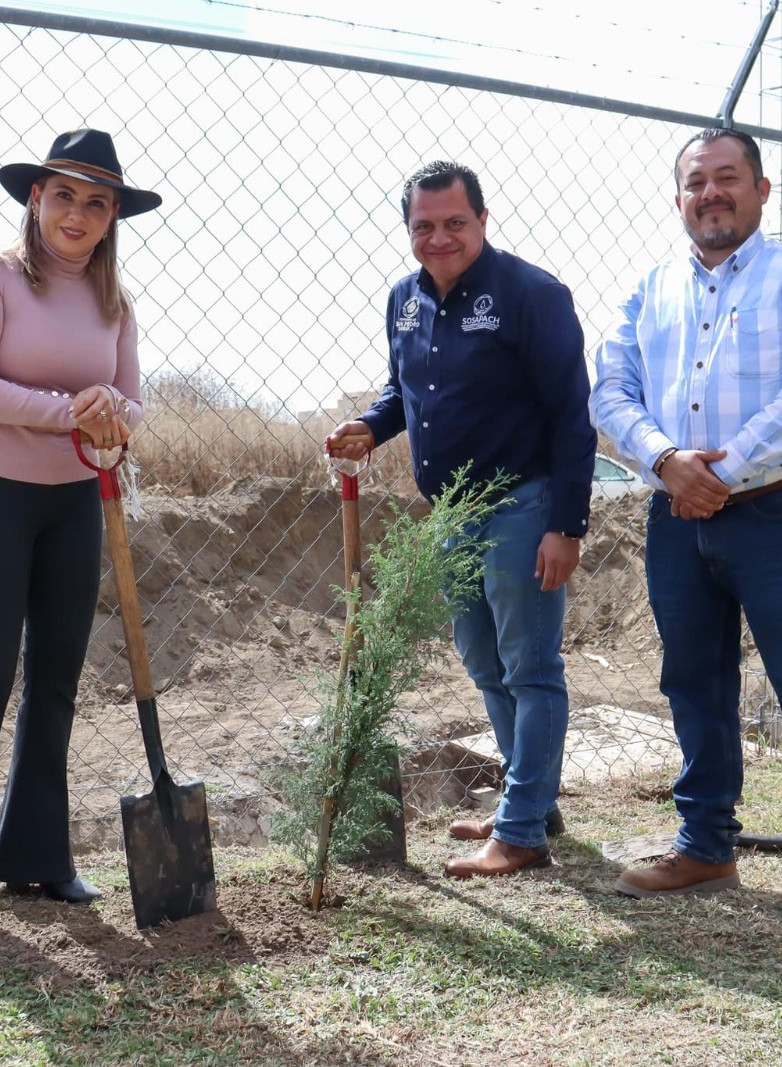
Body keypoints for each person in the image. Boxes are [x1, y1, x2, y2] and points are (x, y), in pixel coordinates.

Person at [590, 127, 782, 939]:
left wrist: (722, 469)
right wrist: (664, 459)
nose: (710, 194)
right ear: (678, 198)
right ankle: (706, 845)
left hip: (780, 512)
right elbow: (610, 391)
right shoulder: (646, 291)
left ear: (761, 189)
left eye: (727, 178)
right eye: (695, 183)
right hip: (676, 518)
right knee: (692, 684)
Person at [0, 129, 161, 951]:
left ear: (113, 214)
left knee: (56, 679)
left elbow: (131, 399)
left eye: (97, 200)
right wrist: (68, 412)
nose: (78, 213)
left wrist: (114, 416)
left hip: (75, 500)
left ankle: (39, 858)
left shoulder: (115, 302)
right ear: (35, 200)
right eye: (64, 195)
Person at [328, 160, 595, 879]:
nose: (439, 238)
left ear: (481, 220)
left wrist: (566, 523)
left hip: (523, 503)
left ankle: (520, 834)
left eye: (454, 223)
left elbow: (573, 414)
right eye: (424, 226)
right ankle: (531, 802)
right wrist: (371, 426)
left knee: (530, 666)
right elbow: (408, 388)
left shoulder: (532, 294)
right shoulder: (404, 301)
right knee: (483, 658)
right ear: (408, 229)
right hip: (451, 511)